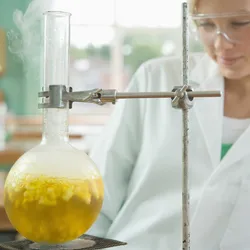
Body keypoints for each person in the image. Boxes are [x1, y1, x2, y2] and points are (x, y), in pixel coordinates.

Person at [87, 0, 250, 249]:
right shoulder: (157, 79)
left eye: (239, 24)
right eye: (206, 25)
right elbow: (96, 194)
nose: (221, 44)